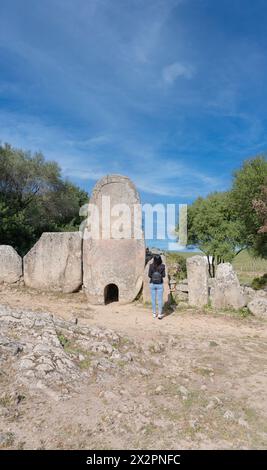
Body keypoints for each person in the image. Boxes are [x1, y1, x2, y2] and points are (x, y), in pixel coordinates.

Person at [148, 254, 165, 319]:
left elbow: (149, 275)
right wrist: (159, 275)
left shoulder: (151, 265)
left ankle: (154, 313)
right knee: (160, 300)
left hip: (152, 283)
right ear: (160, 259)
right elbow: (163, 275)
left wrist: (153, 276)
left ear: (154, 259)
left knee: (153, 299)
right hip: (160, 284)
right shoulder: (163, 266)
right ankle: (160, 314)